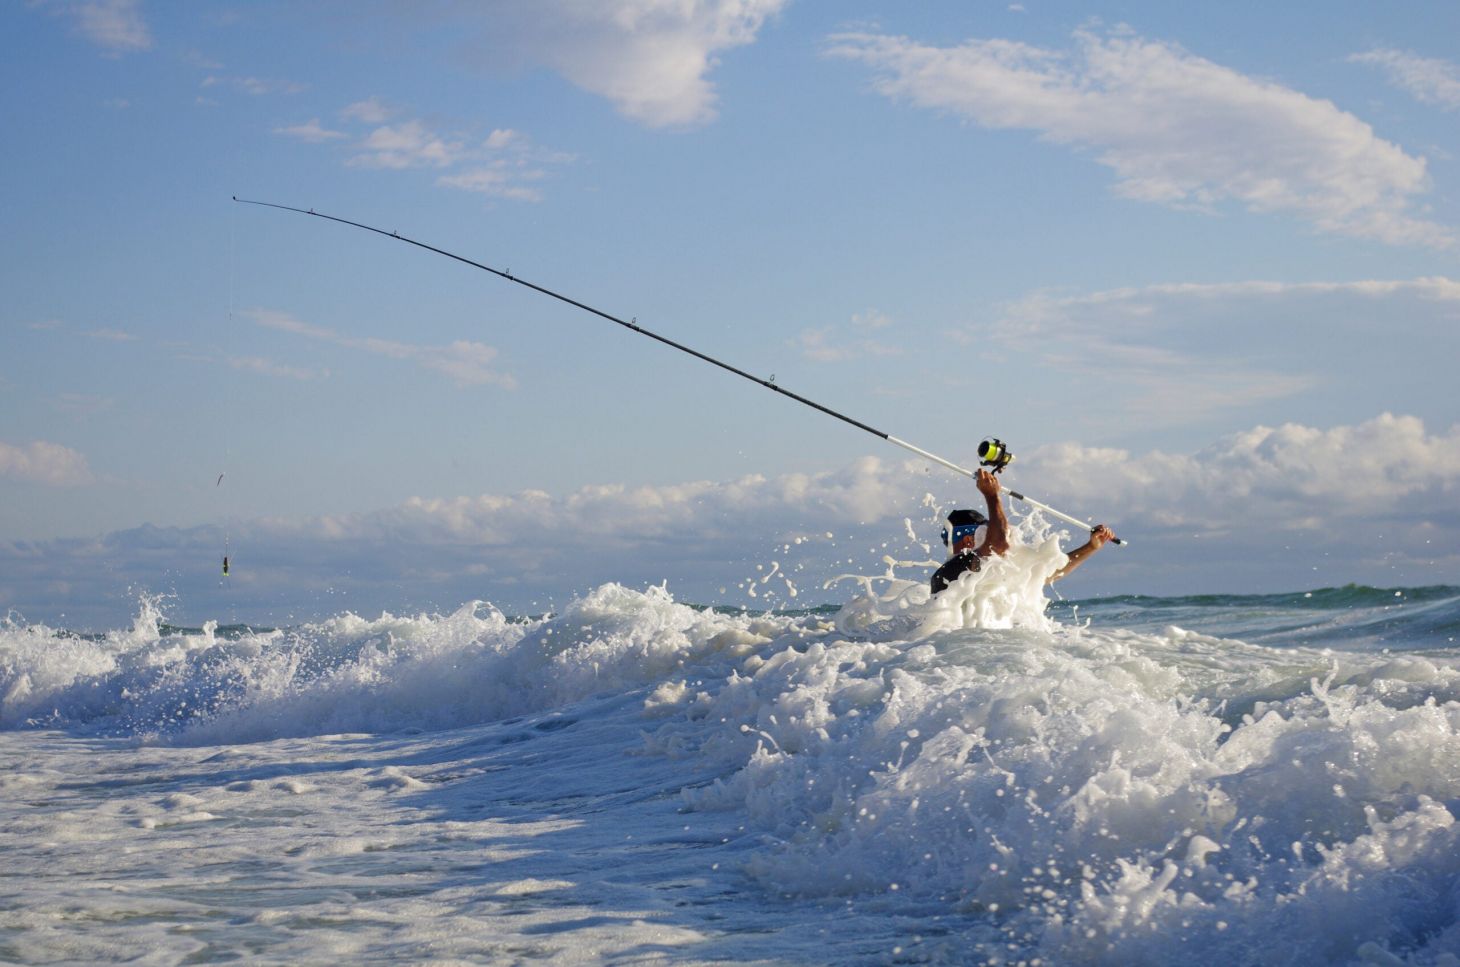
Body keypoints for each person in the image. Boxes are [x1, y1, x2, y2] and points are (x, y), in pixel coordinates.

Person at [930, 468, 1116, 595]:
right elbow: (999, 545)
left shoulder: (992, 570)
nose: (989, 535)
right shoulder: (951, 571)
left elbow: (1046, 574)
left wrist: (1090, 547)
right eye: (984, 533)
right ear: (967, 540)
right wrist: (992, 496)